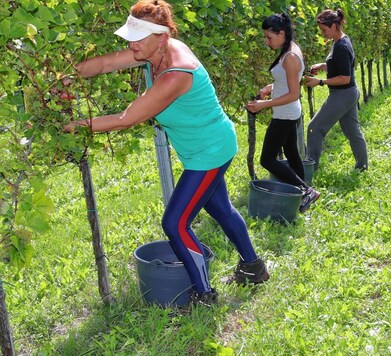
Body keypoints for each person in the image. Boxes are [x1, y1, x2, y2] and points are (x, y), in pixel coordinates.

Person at [63, 0, 269, 305]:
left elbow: (126, 118)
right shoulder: (150, 52)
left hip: (210, 151)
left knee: (175, 223)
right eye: (130, 36)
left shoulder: (176, 72)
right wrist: (67, 75)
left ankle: (204, 293)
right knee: (220, 209)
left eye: (139, 37)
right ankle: (254, 268)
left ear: (161, 37)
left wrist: (74, 126)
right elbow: (105, 64)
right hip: (203, 147)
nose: (131, 43)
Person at [246, 13, 320, 213]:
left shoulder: (291, 57)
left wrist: (264, 104)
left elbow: (294, 93)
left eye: (269, 37)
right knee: (291, 153)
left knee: (267, 159)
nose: (266, 41)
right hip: (288, 113)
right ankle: (301, 192)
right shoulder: (290, 49)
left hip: (285, 114)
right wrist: (270, 88)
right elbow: (288, 82)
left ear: (282, 33)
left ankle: (306, 191)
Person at [303, 8, 368, 172]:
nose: (322, 33)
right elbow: (339, 64)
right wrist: (323, 65)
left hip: (343, 94)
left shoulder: (341, 46)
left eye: (324, 30)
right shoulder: (340, 40)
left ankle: (311, 169)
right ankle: (362, 166)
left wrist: (320, 82)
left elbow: (344, 78)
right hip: (349, 93)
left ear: (334, 26)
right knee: (352, 132)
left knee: (314, 128)